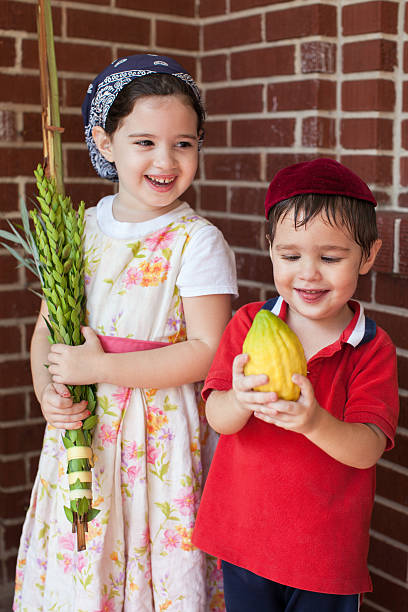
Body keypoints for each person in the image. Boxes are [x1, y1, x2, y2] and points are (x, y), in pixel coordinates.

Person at [14, 54, 237, 612]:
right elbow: (48, 331)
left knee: (151, 555)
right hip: (83, 429)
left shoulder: (197, 241)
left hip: (156, 435)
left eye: (184, 144)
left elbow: (208, 352)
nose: (166, 160)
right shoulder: (80, 228)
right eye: (145, 142)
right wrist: (48, 392)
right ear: (105, 141)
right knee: (85, 550)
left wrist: (102, 369)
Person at [192, 158, 399, 612]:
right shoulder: (249, 325)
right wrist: (240, 398)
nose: (308, 273)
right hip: (245, 541)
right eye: (290, 256)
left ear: (368, 255)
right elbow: (218, 418)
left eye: (329, 258)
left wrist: (314, 421)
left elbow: (367, 448)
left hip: (324, 557)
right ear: (271, 251)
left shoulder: (370, 348)